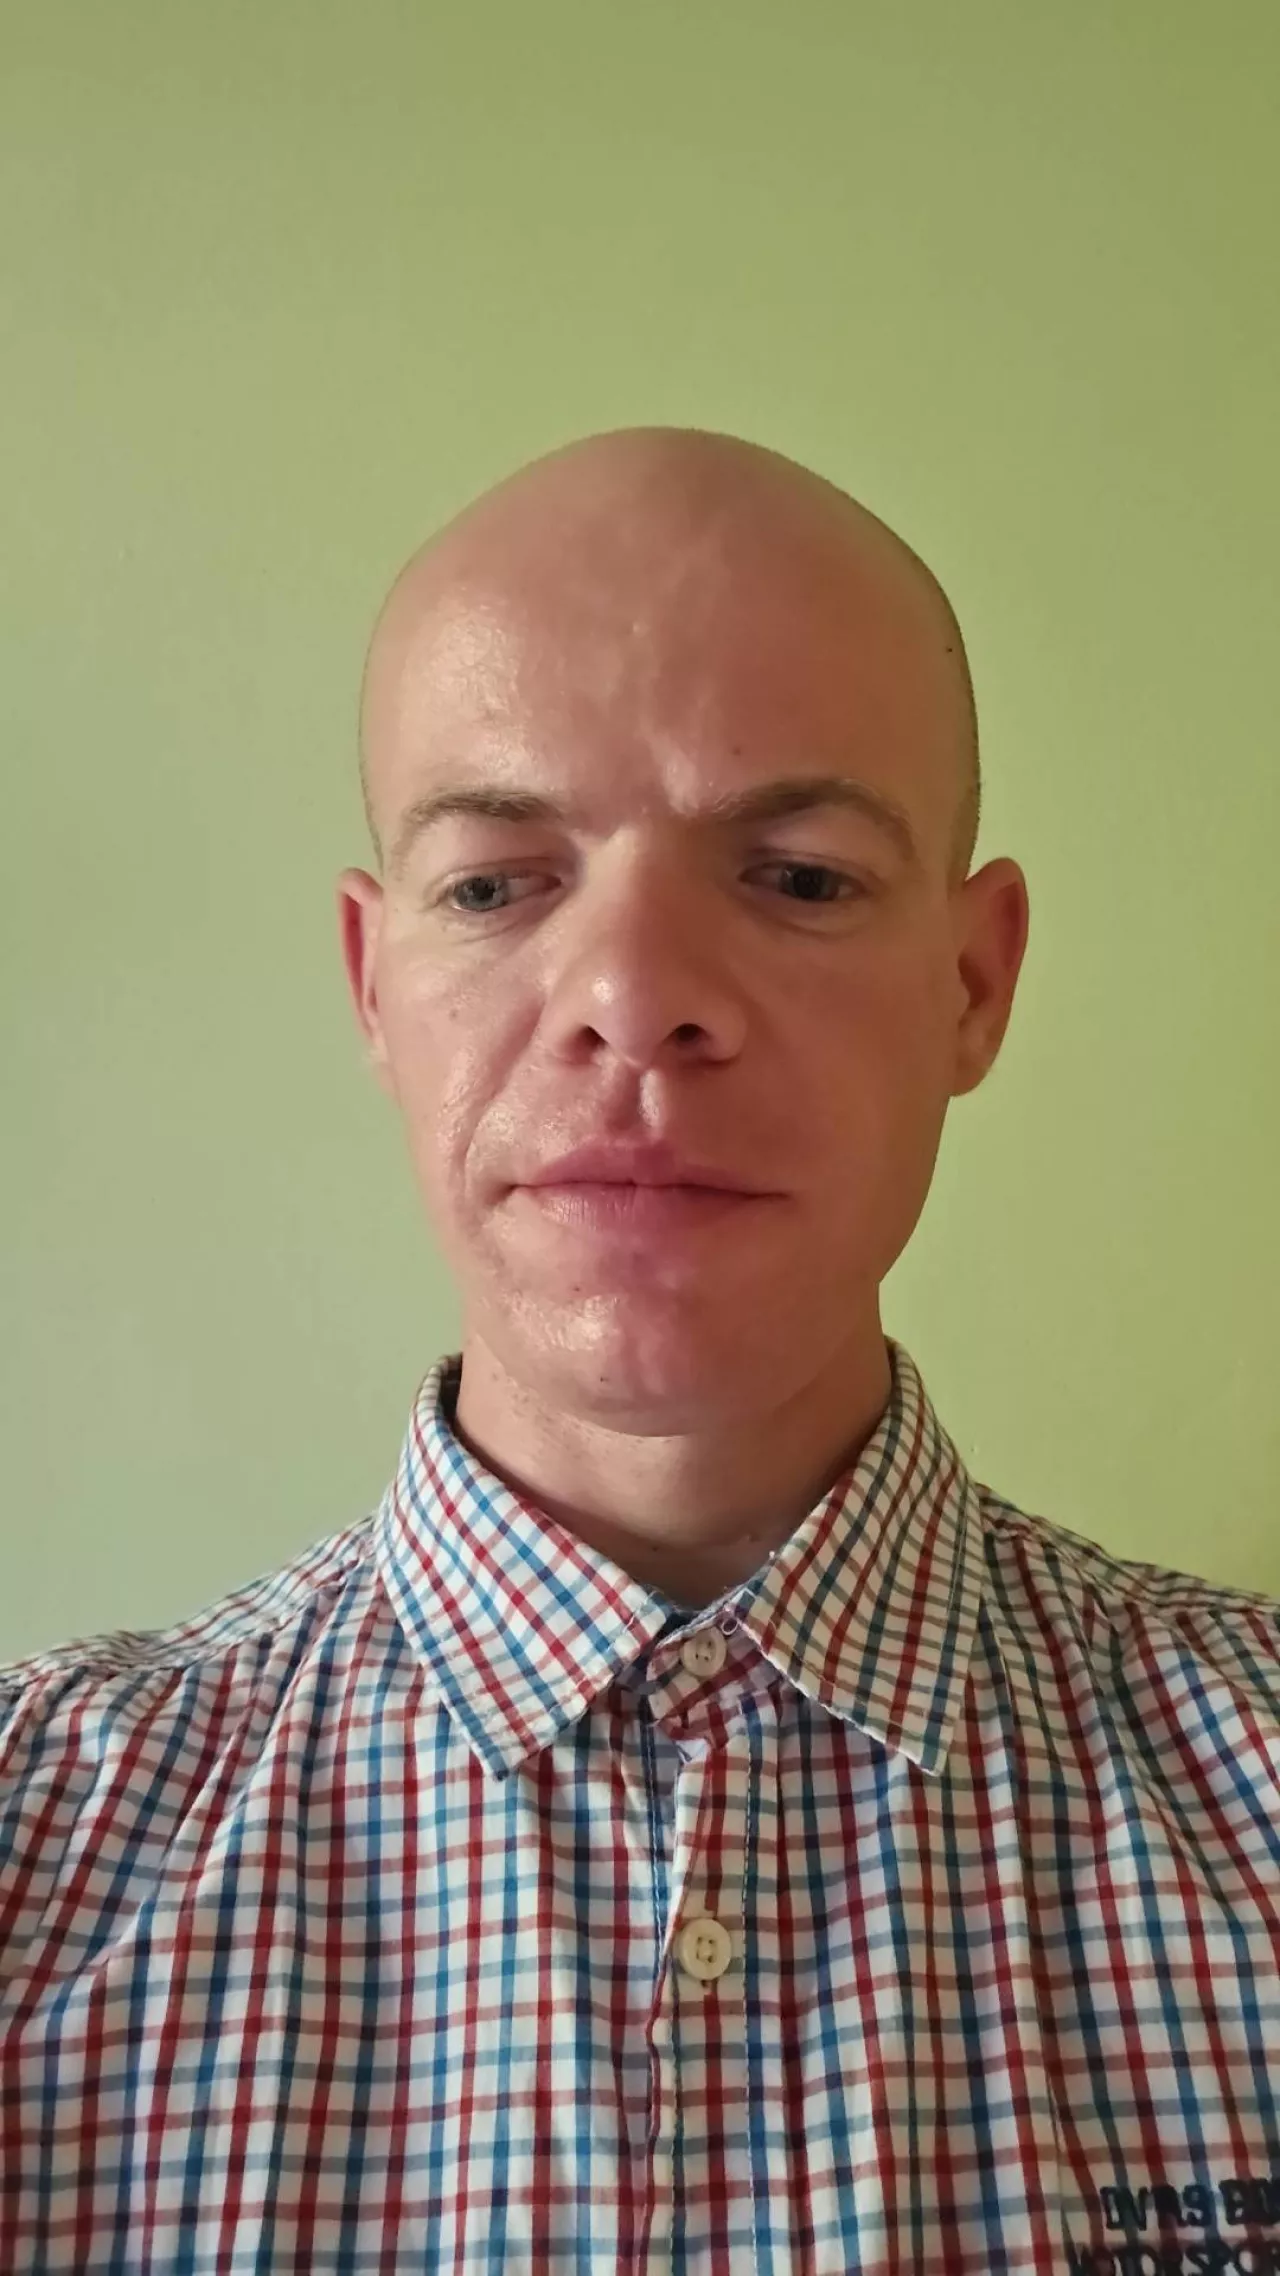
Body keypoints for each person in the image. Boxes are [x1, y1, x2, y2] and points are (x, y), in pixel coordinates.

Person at [1, 426, 1276, 2276]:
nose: (633, 994)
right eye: (495, 884)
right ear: (376, 984)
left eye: (804, 876)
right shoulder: (36, 1856)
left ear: (973, 980)